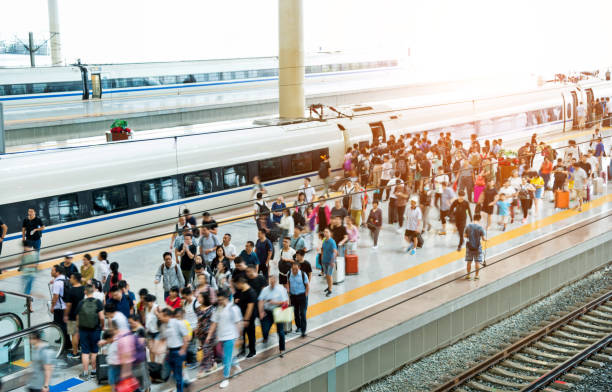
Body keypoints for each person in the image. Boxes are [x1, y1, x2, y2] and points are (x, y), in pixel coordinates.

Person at [205, 289, 243, 389]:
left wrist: (239, 337)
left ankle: (226, 378)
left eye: (221, 299)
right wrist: (209, 335)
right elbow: (214, 323)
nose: (220, 301)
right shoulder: (219, 308)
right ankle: (237, 367)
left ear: (226, 298)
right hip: (221, 337)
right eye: (219, 299)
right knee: (227, 356)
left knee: (226, 358)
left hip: (231, 337)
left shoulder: (233, 308)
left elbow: (238, 323)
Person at [75, 284, 104, 380]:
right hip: (95, 330)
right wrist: (102, 327)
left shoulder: (81, 303)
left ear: (85, 292)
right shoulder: (98, 302)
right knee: (94, 351)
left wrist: (78, 328)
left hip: (83, 330)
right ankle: (94, 371)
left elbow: (77, 318)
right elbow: (101, 317)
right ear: (93, 291)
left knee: (85, 351)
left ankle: (85, 372)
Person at [159, 308, 190, 392]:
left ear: (167, 316)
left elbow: (186, 337)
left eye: (161, 316)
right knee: (174, 374)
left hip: (178, 351)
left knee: (178, 375)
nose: (159, 318)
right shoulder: (163, 326)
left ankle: (180, 389)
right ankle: (185, 383)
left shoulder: (178, 323)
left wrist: (183, 349)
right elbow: (164, 339)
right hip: (170, 352)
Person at [234, 277, 257, 358]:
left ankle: (252, 351)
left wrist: (246, 320)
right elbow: (238, 299)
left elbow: (250, 308)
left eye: (237, 285)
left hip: (249, 318)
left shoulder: (251, 292)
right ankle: (242, 350)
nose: (237, 286)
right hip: (241, 317)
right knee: (242, 334)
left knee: (250, 334)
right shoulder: (241, 291)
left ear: (241, 283)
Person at [64, 272, 84, 360]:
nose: (69, 279)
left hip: (73, 315)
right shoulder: (84, 289)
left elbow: (68, 305)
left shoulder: (71, 291)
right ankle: (84, 351)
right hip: (83, 315)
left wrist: (65, 315)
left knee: (74, 334)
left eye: (71, 278)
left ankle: (75, 353)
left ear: (75, 279)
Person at [50, 264, 69, 350]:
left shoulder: (57, 283)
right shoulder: (66, 278)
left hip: (59, 307)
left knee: (60, 325)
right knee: (64, 325)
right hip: (67, 306)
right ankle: (64, 339)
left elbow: (55, 296)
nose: (51, 272)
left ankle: (65, 343)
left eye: (52, 270)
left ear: (57, 272)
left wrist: (52, 307)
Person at [288, 261, 309, 337]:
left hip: (302, 296)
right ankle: (298, 327)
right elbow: (288, 283)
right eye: (293, 269)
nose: (294, 271)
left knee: (302, 313)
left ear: (299, 268)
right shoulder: (289, 273)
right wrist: (289, 293)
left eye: (296, 269)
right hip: (293, 296)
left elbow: (307, 285)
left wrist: (306, 295)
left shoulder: (303, 275)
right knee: (296, 313)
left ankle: (303, 330)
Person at [464, 213, 486, 280]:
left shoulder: (468, 226)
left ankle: (468, 275)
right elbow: (483, 239)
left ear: (473, 218)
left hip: (469, 247)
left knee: (469, 262)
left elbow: (465, 236)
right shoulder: (480, 227)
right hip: (477, 247)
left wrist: (469, 235)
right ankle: (476, 276)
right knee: (477, 262)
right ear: (479, 219)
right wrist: (487, 240)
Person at [320, 228, 337, 297]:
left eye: (327, 232)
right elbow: (322, 250)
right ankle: (328, 286)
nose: (325, 233)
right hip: (324, 261)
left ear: (330, 233)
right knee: (326, 275)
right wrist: (321, 258)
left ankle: (330, 289)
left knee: (329, 275)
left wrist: (332, 261)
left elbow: (335, 252)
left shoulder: (332, 242)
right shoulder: (324, 240)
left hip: (330, 262)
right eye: (324, 232)